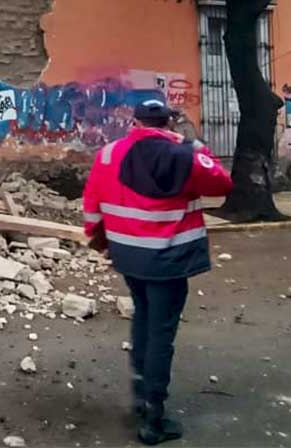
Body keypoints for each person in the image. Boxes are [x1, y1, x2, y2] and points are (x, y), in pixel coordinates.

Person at [82, 99, 233, 445]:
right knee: (161, 334)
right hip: (169, 261)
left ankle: (139, 394)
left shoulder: (108, 154)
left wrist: (99, 238)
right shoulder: (186, 154)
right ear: (168, 123)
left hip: (129, 257)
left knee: (143, 317)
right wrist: (194, 144)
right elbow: (222, 183)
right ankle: (154, 417)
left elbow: (92, 204)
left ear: (135, 122)